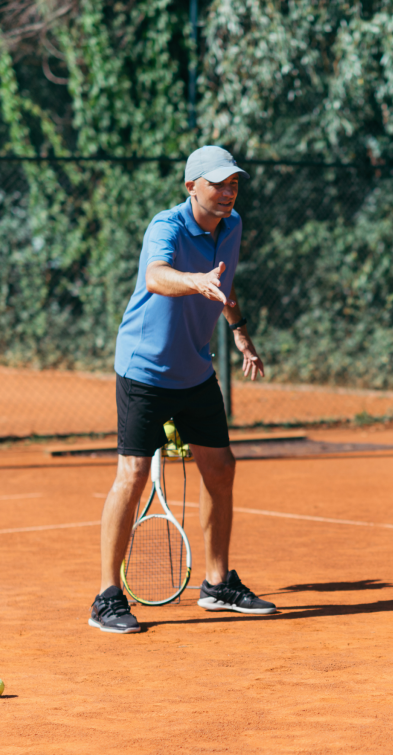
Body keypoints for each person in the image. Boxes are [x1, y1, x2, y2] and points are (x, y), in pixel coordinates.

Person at [89, 145, 275, 634]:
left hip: (195, 370)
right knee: (131, 476)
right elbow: (156, 276)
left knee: (220, 467)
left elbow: (225, 284)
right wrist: (192, 280)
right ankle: (107, 597)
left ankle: (216, 584)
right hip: (145, 370)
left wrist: (238, 329)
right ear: (191, 186)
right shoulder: (166, 226)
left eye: (234, 183)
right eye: (218, 184)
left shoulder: (231, 228)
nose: (228, 192)